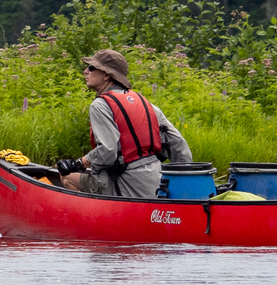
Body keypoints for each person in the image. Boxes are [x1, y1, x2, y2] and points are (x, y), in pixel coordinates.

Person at [55, 48, 192, 198]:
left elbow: (107, 152)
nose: (85, 71)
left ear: (106, 75)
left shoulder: (100, 105)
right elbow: (179, 146)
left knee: (67, 177)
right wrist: (183, 182)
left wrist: (78, 164)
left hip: (123, 183)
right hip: (158, 181)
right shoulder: (146, 103)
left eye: (91, 67)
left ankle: (93, 218)